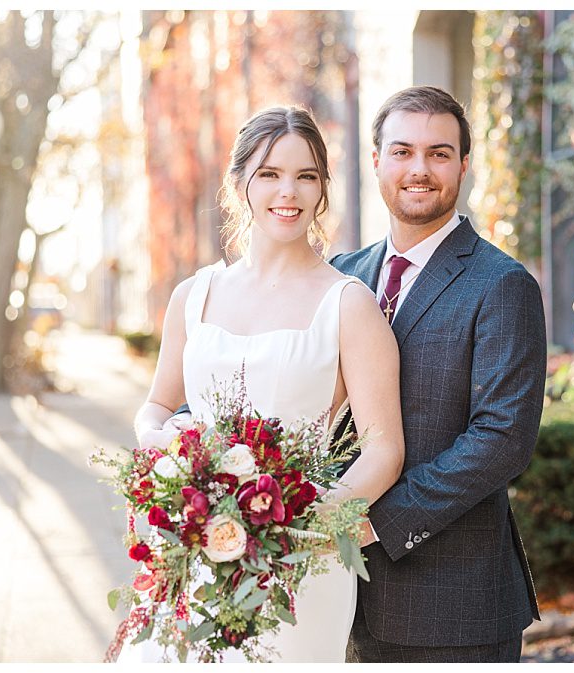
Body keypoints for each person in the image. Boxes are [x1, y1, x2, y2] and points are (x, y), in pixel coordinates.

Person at [121, 106, 405, 663]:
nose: (288, 192)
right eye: (270, 174)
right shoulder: (193, 297)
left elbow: (385, 449)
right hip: (198, 548)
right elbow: (155, 406)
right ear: (238, 184)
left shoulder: (349, 305)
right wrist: (167, 454)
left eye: (306, 176)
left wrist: (303, 527)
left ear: (323, 188)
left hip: (302, 561)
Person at [329, 85, 545, 663]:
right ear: (375, 160)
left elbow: (502, 440)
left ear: (464, 165)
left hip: (452, 604)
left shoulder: (501, 285)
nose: (419, 169)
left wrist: (373, 523)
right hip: (332, 598)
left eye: (439, 153)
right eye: (402, 151)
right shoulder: (339, 277)